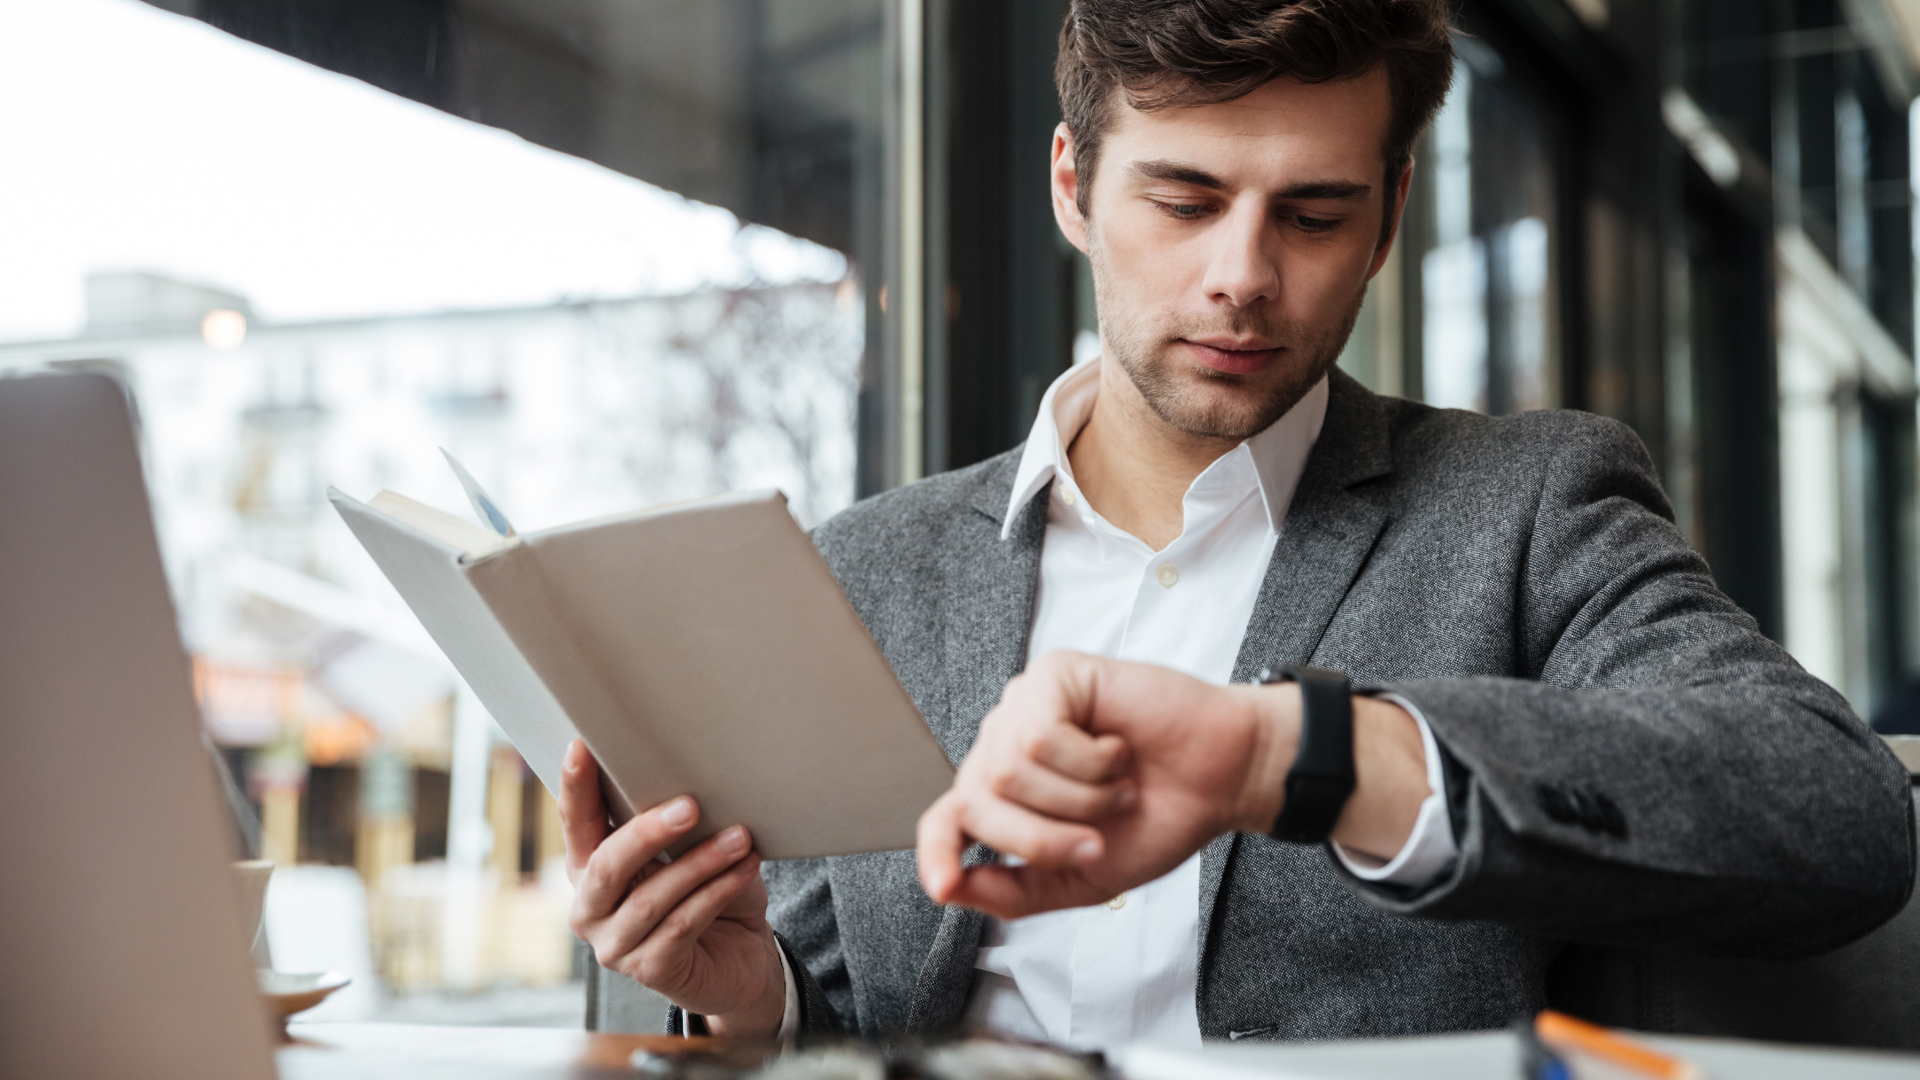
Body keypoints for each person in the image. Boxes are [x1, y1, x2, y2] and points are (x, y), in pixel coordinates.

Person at [558, 0, 1915, 1049]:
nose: (1242, 280)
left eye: (1314, 214)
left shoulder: (1529, 505)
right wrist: (758, 1008)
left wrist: (1302, 754)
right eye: (1186, 200)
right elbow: (861, 1021)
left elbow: (1838, 814)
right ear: (1073, 187)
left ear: (1386, 223)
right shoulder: (870, 565)